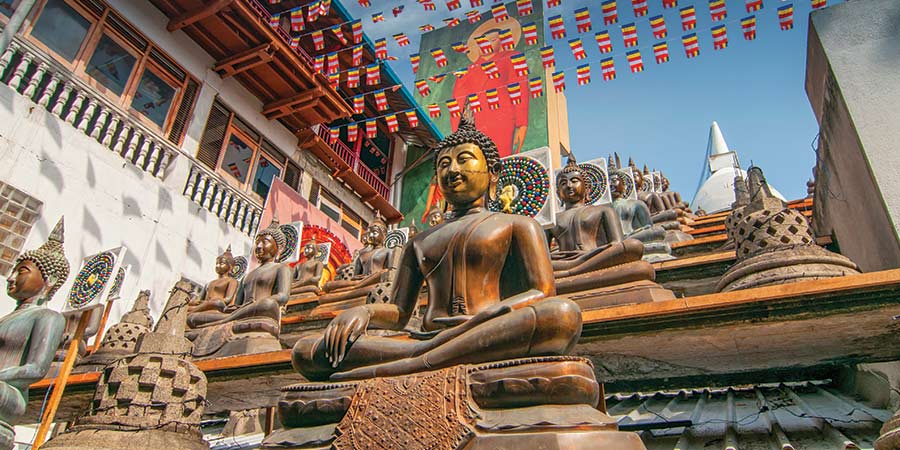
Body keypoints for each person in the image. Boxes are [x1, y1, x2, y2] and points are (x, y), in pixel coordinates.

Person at [292, 112, 580, 382]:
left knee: (561, 315)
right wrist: (364, 313)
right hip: (428, 337)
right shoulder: (418, 241)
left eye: (464, 160)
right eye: (443, 164)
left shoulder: (517, 225)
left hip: (487, 327)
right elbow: (400, 312)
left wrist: (489, 317)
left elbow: (542, 293)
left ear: (493, 172)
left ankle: (416, 363)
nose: (452, 169)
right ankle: (431, 355)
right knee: (306, 351)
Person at [0, 219, 68, 449]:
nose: (12, 278)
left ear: (50, 281)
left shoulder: (49, 317)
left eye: (22, 272)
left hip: (8, 393)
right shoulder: (6, 320)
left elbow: (36, 369)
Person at [450, 16, 529, 157]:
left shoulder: (511, 58)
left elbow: (519, 88)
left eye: (493, 40)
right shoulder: (467, 70)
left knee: (496, 160)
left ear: (501, 42)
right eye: (483, 41)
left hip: (500, 120)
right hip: (472, 123)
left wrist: (522, 124)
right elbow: (457, 100)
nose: (487, 44)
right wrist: (456, 132)